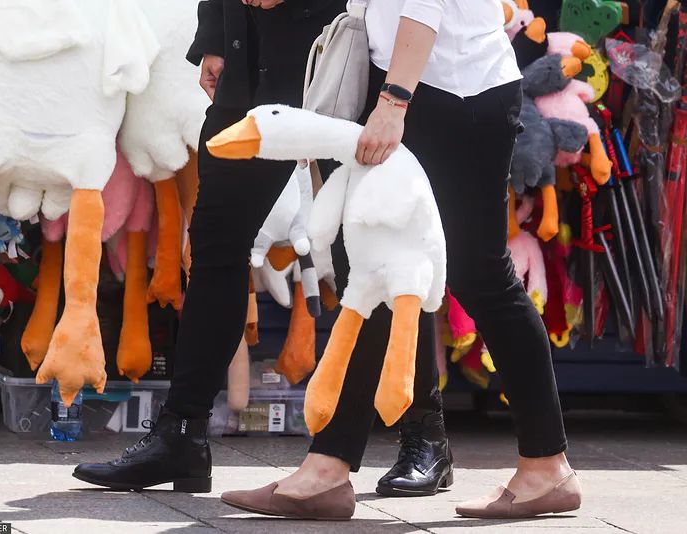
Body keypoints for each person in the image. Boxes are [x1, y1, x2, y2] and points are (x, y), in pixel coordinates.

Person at [72, 0, 453, 498]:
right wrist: (214, 33)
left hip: (342, 52)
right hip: (249, 55)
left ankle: (424, 432)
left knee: (375, 250)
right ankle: (181, 433)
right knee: (215, 245)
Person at [220, 0, 581, 520]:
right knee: (373, 277)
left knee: (480, 277)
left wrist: (393, 101)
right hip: (422, 82)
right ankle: (327, 467)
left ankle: (547, 465)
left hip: (452, 90)